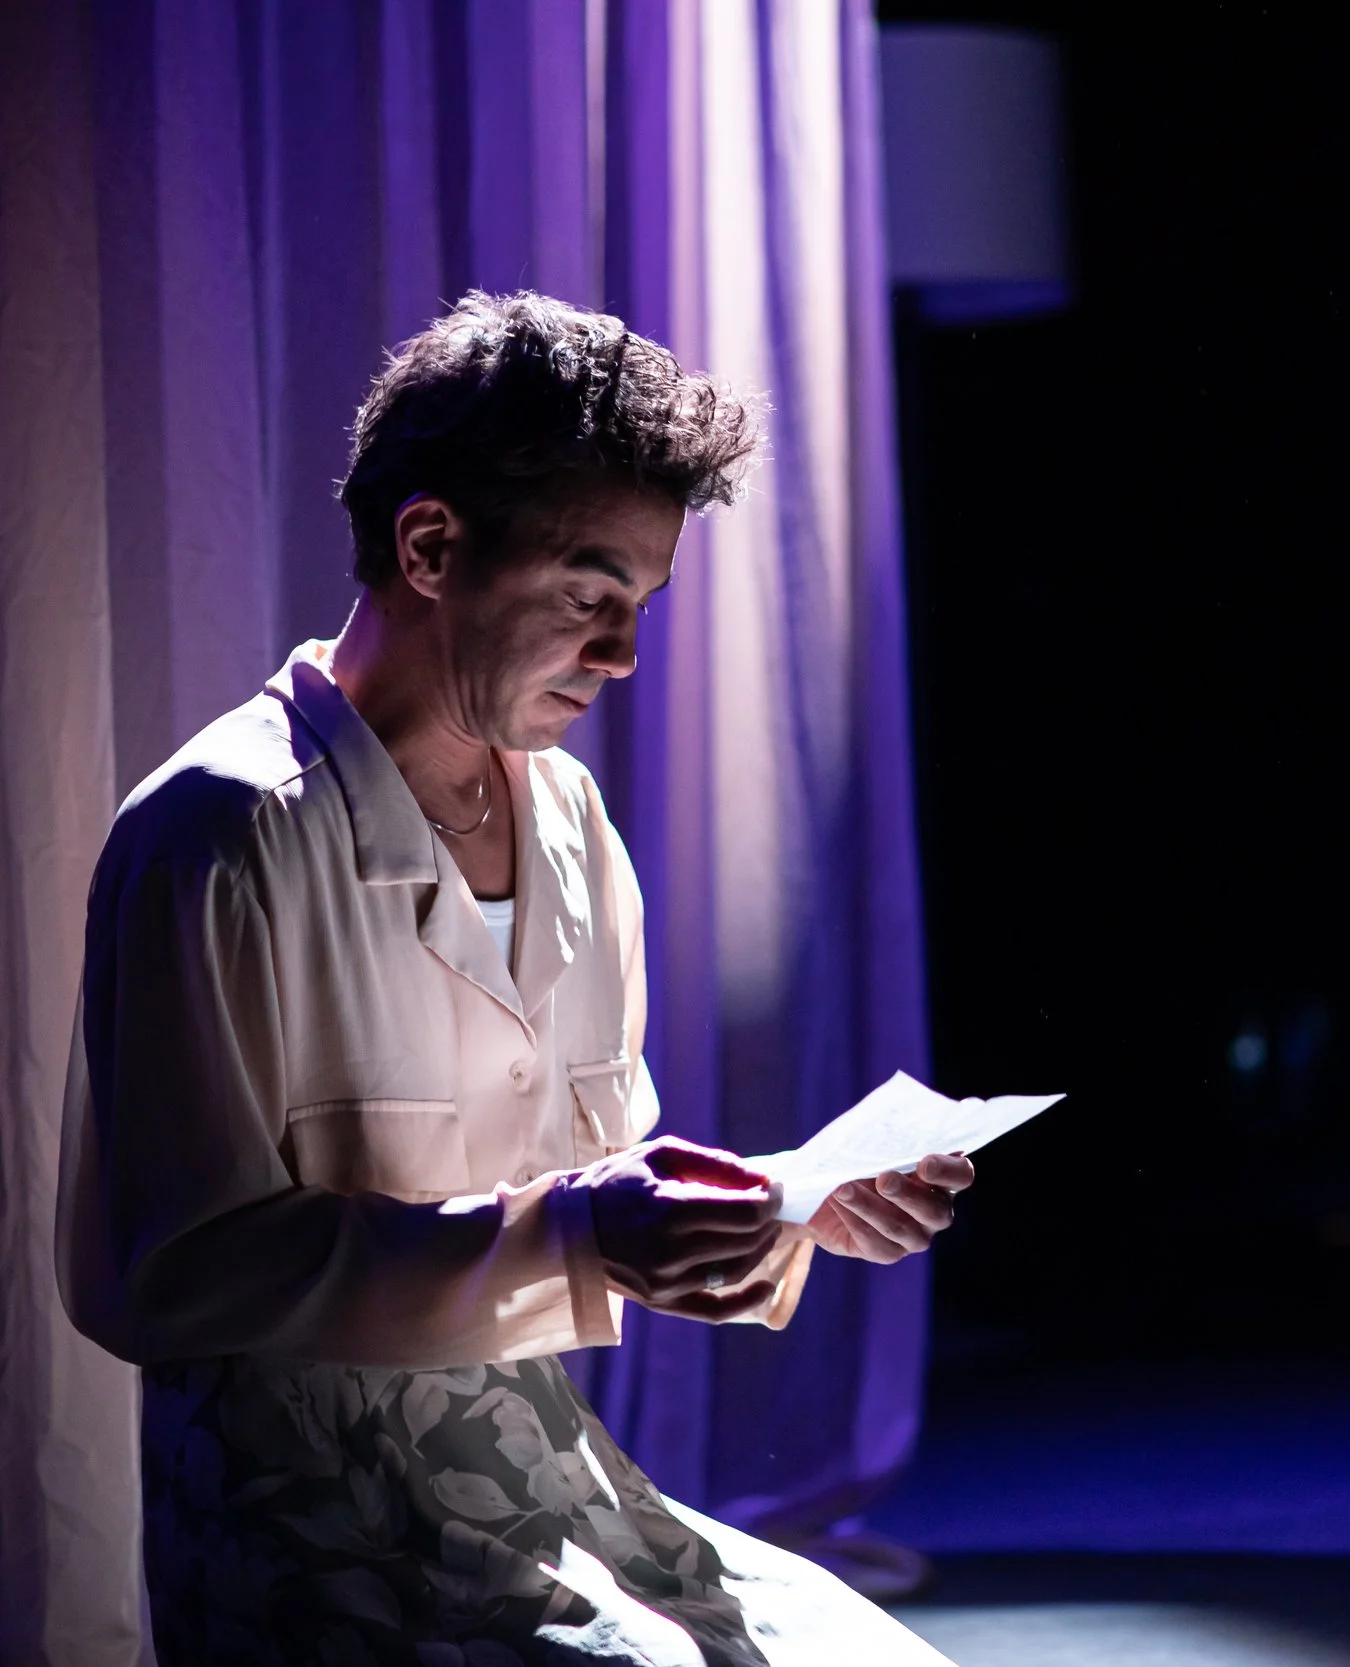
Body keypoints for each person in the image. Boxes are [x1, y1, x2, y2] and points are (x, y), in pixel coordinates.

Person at [57, 291, 974, 1662]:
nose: (622, 656)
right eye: (589, 596)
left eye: (641, 605)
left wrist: (781, 1200)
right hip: (315, 1534)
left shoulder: (567, 822)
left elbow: (592, 1171)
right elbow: (165, 1276)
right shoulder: (222, 831)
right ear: (430, 543)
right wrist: (582, 1234)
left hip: (553, 1488)